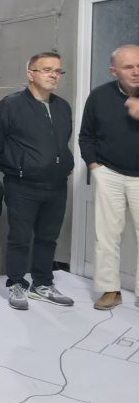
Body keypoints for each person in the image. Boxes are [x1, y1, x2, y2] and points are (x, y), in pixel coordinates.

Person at [0, 51, 75, 310]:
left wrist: (64, 166)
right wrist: (4, 174)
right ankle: (17, 284)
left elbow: (62, 143)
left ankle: (42, 284)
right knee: (20, 238)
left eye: (57, 71)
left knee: (48, 237)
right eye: (47, 70)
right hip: (22, 185)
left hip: (56, 185)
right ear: (30, 74)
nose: (54, 75)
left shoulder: (62, 107)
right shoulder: (10, 106)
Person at [79, 44, 139, 310]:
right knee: (106, 236)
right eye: (129, 67)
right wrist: (95, 167)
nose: (136, 71)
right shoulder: (99, 96)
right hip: (109, 173)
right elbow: (86, 135)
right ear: (114, 71)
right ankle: (110, 290)